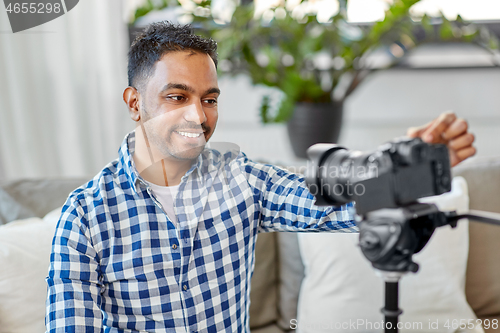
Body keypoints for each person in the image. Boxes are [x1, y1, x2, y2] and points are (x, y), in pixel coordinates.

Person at [45, 22, 476, 333]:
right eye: (177, 96)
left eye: (209, 99)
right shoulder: (84, 217)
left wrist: (407, 165)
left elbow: (333, 201)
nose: (197, 116)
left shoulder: (243, 179)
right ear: (135, 102)